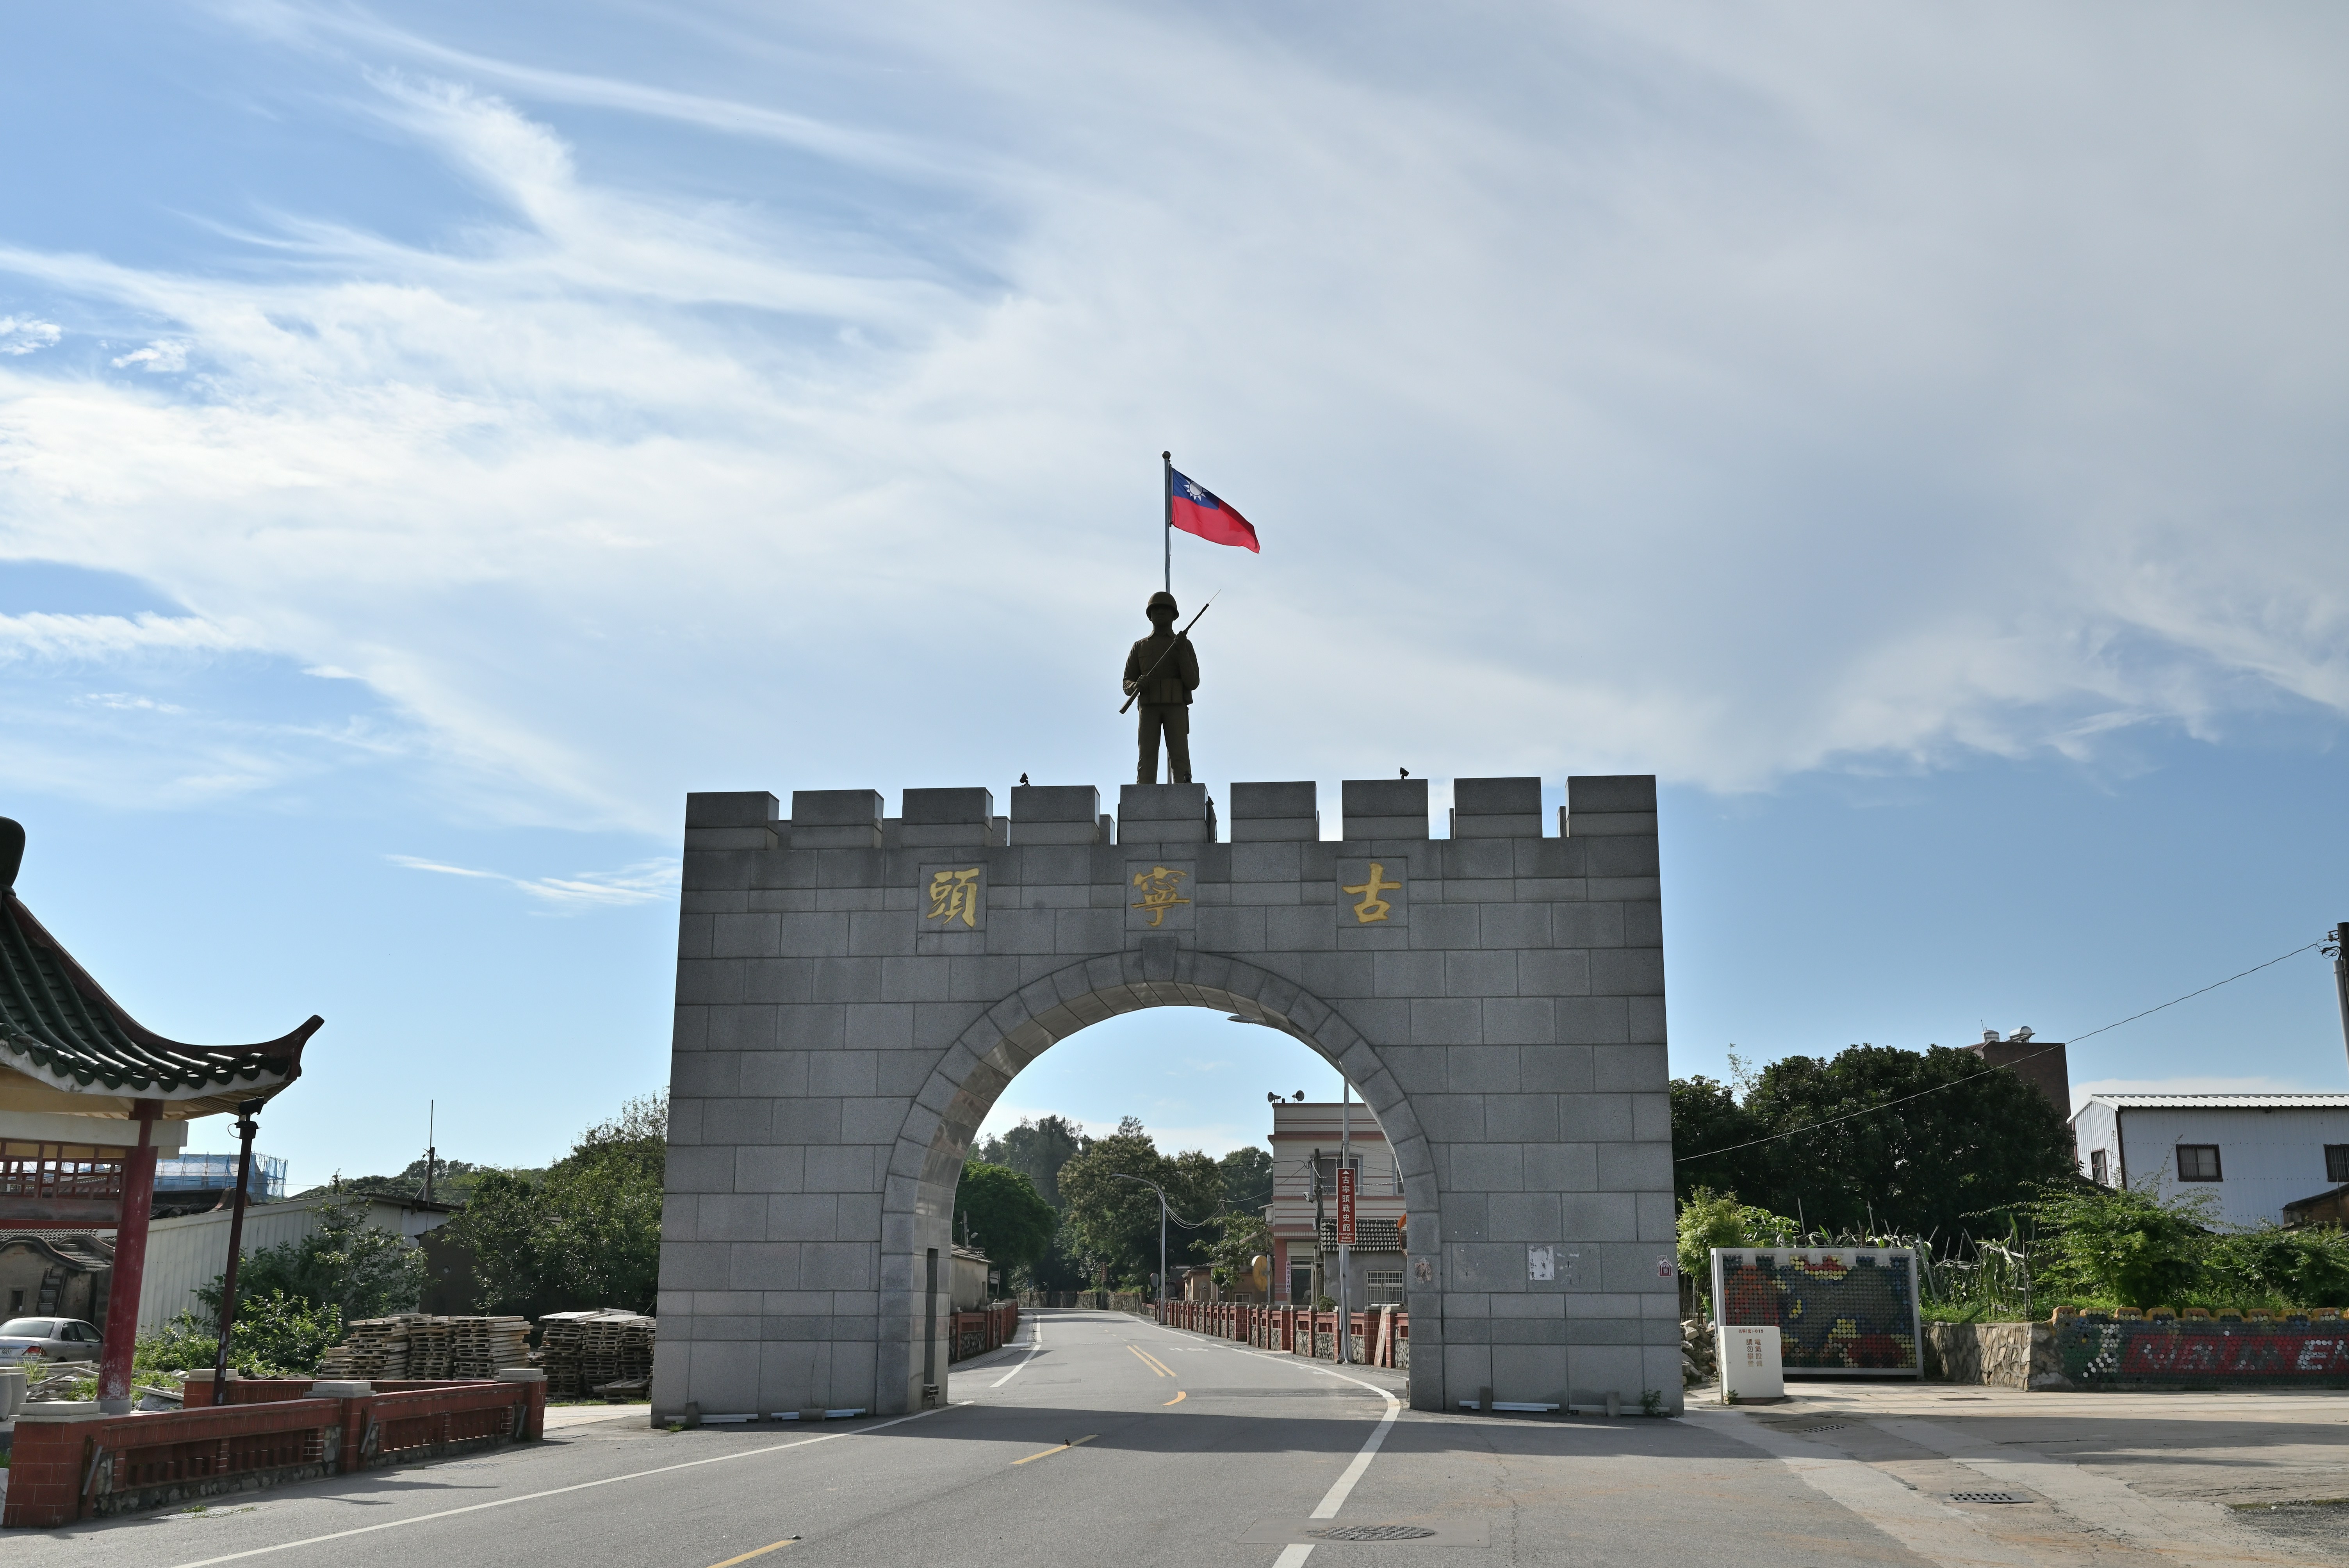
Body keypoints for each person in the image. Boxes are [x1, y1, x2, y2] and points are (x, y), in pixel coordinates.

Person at [1124, 591, 1199, 784]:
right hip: (1149, 707)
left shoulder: (1184, 645)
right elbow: (1127, 682)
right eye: (1155, 609)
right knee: (1147, 756)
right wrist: (1136, 685)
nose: (1159, 613)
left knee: (1180, 755)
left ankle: (1185, 792)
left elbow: (1193, 682)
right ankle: (1143, 797)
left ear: (1174, 615)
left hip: (1176, 706)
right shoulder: (1140, 647)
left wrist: (1181, 650)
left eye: (1165, 609)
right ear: (1149, 616)